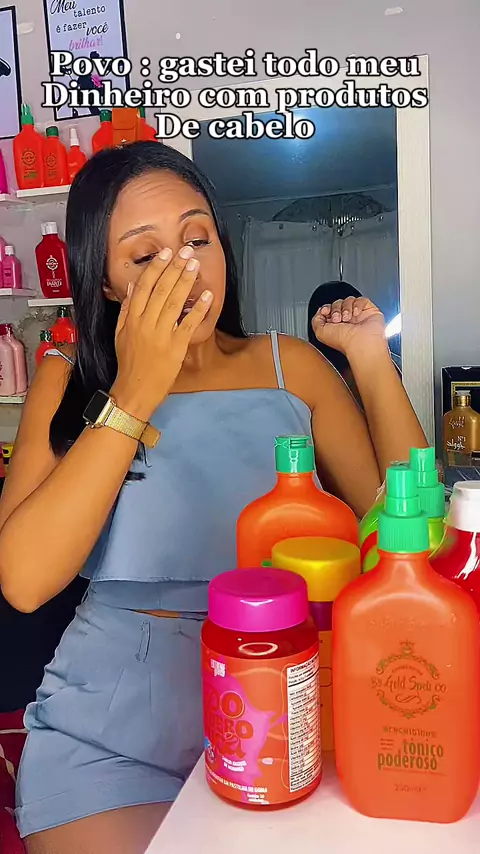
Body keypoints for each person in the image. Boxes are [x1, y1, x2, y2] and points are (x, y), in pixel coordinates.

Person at [0, 141, 426, 853]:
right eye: (145, 255)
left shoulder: (290, 366)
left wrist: (369, 361)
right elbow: (23, 579)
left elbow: (410, 523)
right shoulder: (68, 378)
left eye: (197, 239)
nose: (183, 268)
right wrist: (135, 390)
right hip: (106, 734)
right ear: (105, 282)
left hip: (289, 698)